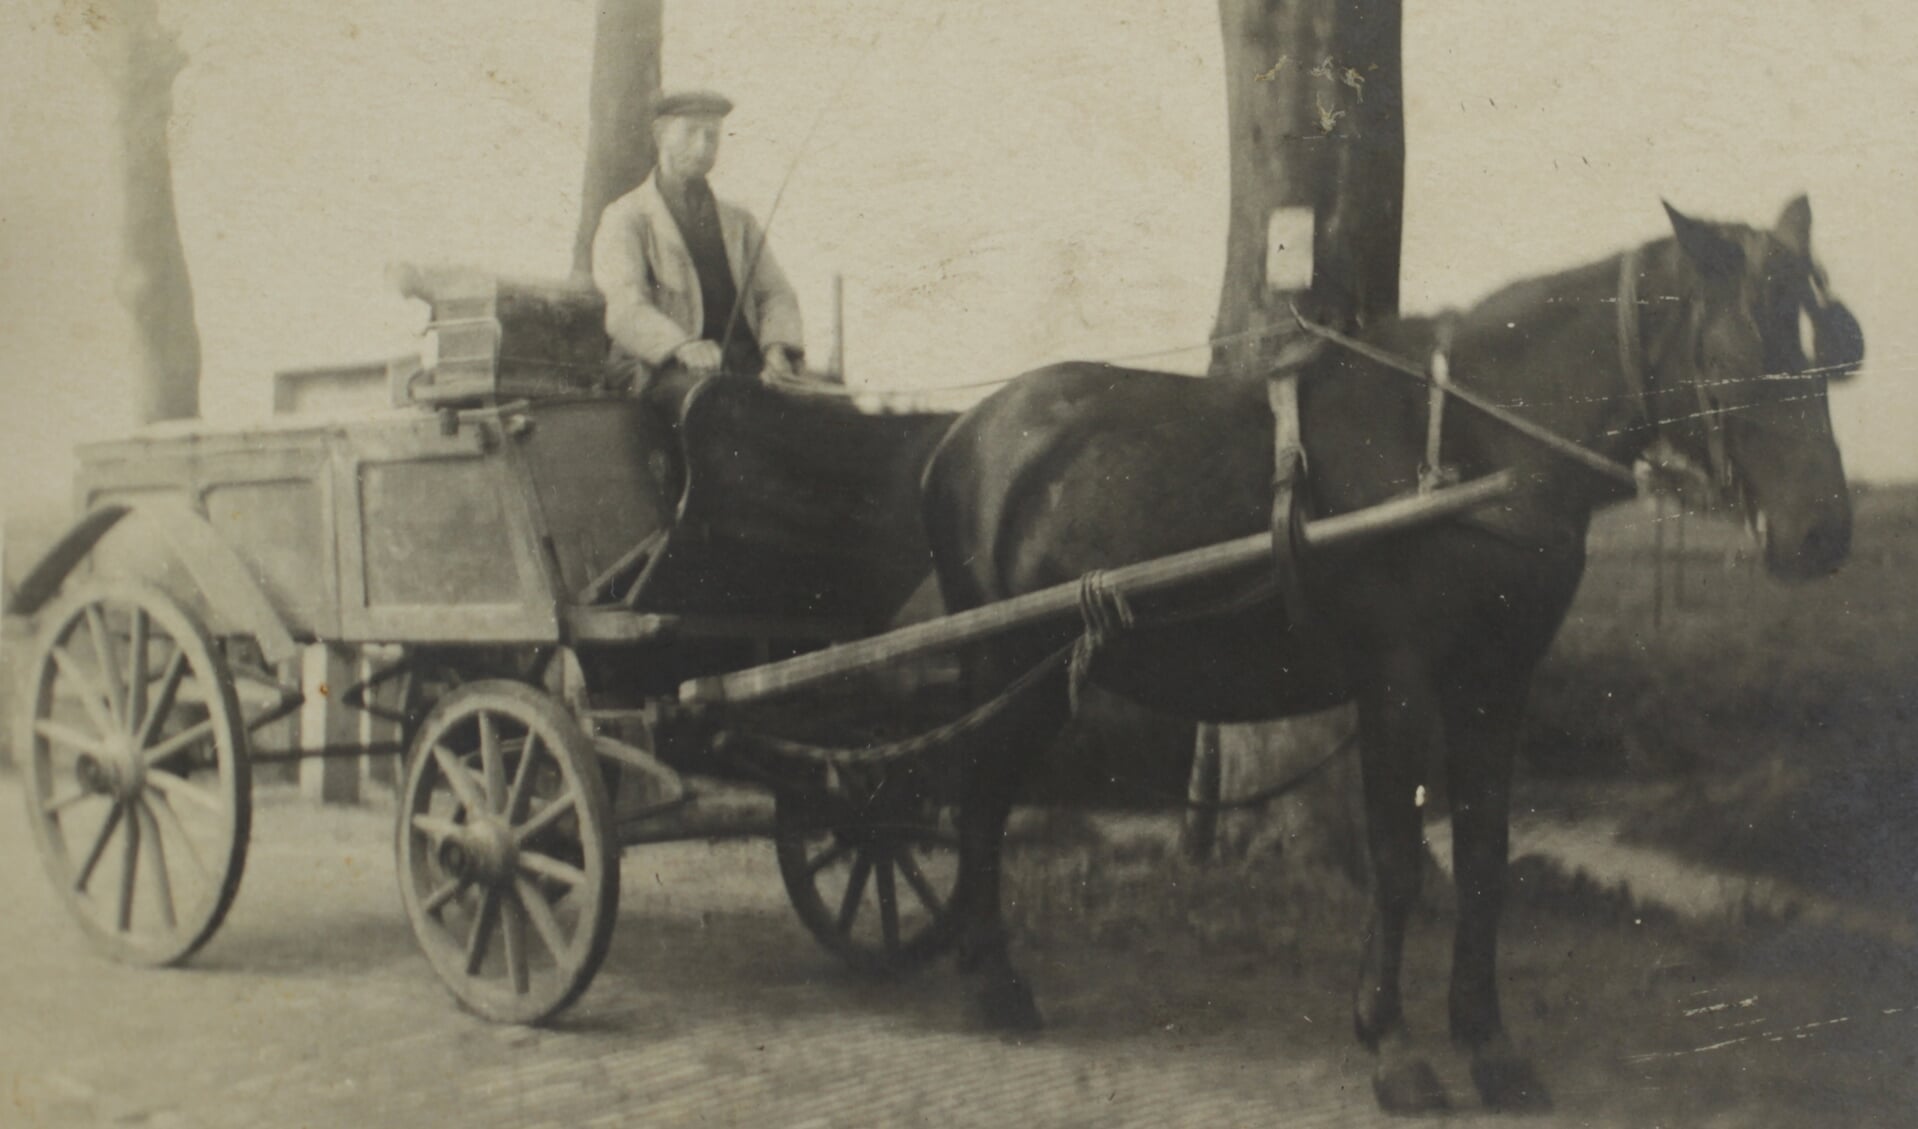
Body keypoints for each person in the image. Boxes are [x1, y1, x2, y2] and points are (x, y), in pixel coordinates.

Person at [591, 89, 814, 388]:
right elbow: (625, 306)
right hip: (656, 366)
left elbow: (775, 293)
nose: (701, 148)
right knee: (711, 404)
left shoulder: (740, 222)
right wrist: (681, 347)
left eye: (711, 136)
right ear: (660, 135)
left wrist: (776, 347)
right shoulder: (627, 217)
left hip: (741, 364)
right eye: (690, 133)